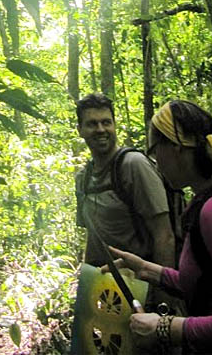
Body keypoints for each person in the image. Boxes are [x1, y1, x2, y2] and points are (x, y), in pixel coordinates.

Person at [107, 100, 212, 354]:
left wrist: (165, 328)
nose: (156, 162)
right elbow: (211, 282)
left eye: (155, 151)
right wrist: (148, 270)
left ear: (176, 147)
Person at [75, 93, 177, 309]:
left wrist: (164, 301)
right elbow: (93, 239)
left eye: (106, 122)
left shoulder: (133, 165)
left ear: (114, 125)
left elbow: (164, 235)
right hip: (109, 292)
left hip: (145, 288)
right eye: (92, 124)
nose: (101, 129)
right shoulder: (83, 178)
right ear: (80, 130)